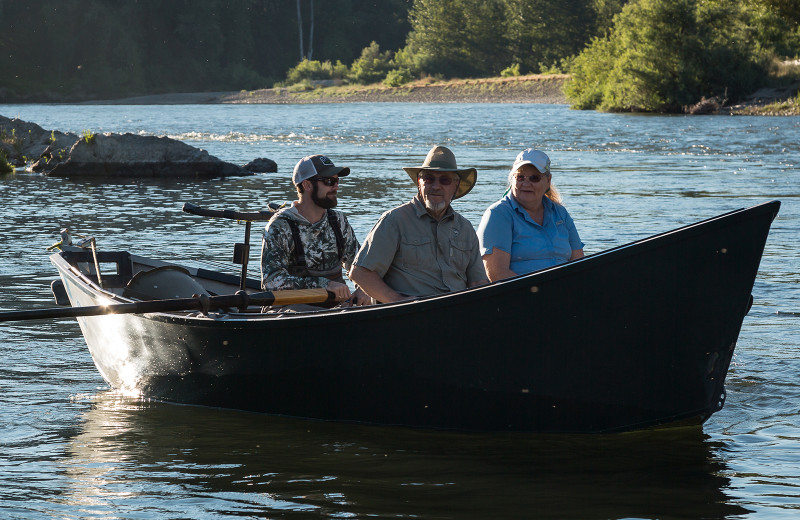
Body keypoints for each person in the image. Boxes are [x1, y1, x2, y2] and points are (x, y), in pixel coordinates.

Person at [349, 145, 488, 303]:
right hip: (410, 316)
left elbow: (478, 283)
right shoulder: (395, 220)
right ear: (419, 182)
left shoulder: (465, 228)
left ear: (455, 185)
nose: (436, 186)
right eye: (429, 179)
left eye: (444, 180)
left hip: (456, 312)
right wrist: (397, 301)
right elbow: (360, 272)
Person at [260, 154, 369, 306]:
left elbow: (360, 265)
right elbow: (271, 281)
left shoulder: (339, 221)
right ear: (307, 185)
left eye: (337, 181)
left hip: (336, 309)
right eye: (329, 181)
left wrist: (363, 288)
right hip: (289, 311)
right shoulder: (280, 227)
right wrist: (325, 284)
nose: (336, 186)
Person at [477, 148, 584, 282]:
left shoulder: (560, 213)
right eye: (520, 177)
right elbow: (496, 273)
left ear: (548, 181)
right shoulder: (498, 214)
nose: (526, 183)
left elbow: (580, 263)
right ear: (513, 179)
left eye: (534, 178)